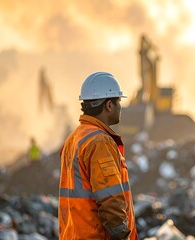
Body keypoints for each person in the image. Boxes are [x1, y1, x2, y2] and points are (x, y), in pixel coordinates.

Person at [59, 72, 139, 239]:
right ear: (109, 105)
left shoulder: (75, 138)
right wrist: (122, 236)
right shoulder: (99, 142)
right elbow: (110, 199)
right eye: (118, 102)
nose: (120, 107)